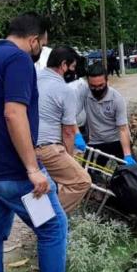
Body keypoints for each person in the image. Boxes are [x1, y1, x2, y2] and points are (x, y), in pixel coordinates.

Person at [0, 13, 98, 272]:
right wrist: (32, 167)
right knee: (54, 228)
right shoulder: (19, 61)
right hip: (14, 176)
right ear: (34, 39)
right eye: (44, 42)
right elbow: (14, 113)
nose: (43, 48)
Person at [35, 46, 91, 214]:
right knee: (81, 181)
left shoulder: (33, 79)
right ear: (63, 65)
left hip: (27, 147)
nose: (73, 72)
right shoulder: (65, 90)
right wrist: (69, 157)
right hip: (48, 148)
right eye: (72, 67)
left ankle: (44, 218)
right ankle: (50, 220)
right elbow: (68, 132)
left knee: (47, 187)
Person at [75, 64, 137, 166]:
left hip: (117, 140)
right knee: (89, 177)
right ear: (88, 83)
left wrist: (127, 155)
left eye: (101, 85)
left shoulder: (116, 99)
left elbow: (123, 129)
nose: (97, 89)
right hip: (95, 142)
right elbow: (70, 116)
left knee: (132, 175)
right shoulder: (83, 92)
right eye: (93, 86)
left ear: (107, 81)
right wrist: (77, 135)